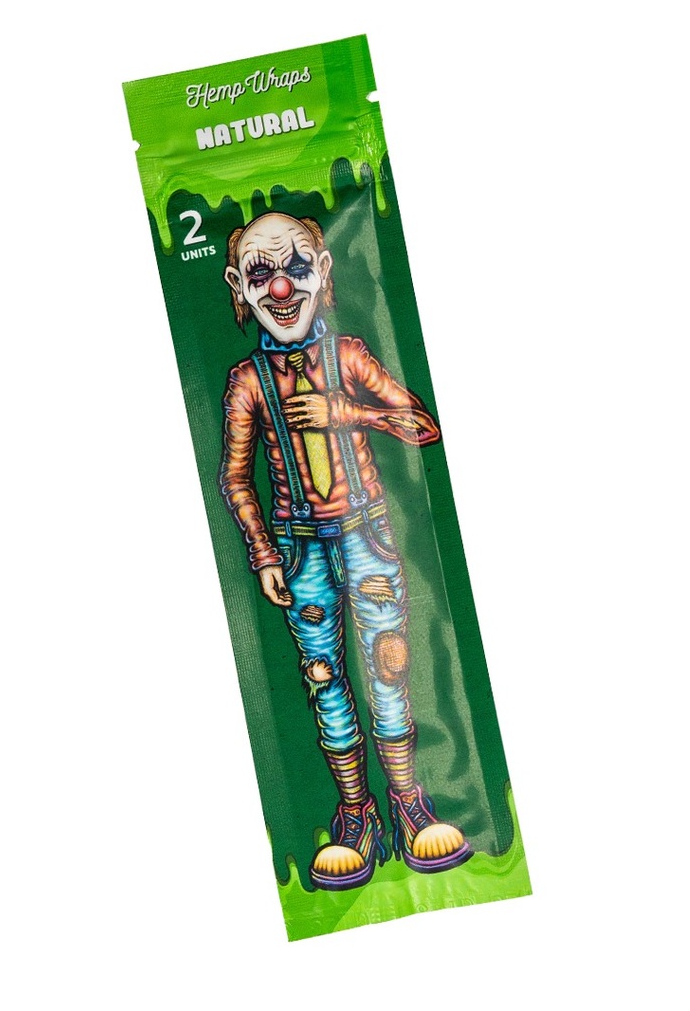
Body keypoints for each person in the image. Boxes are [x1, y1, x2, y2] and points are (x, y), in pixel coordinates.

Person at [219, 211, 471, 890]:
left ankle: (409, 804)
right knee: (325, 676)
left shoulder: (351, 356)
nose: (281, 289)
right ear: (239, 287)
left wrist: (345, 412)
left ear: (324, 271)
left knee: (389, 664)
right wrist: (262, 553)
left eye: (296, 267)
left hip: (367, 534)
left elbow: (422, 424)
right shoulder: (247, 382)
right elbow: (235, 478)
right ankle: (356, 814)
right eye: (261, 274)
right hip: (299, 552)